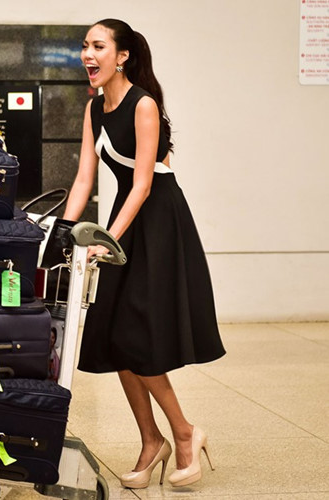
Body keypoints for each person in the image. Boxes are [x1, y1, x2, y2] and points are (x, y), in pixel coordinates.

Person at [63, 19, 226, 489]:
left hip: (158, 223)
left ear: (122, 56)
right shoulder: (94, 108)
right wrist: (64, 232)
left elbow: (144, 184)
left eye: (98, 46)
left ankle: (185, 433)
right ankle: (152, 440)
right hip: (125, 221)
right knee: (117, 339)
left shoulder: (144, 104)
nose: (87, 54)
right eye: (85, 46)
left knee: (137, 337)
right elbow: (84, 178)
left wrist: (107, 240)